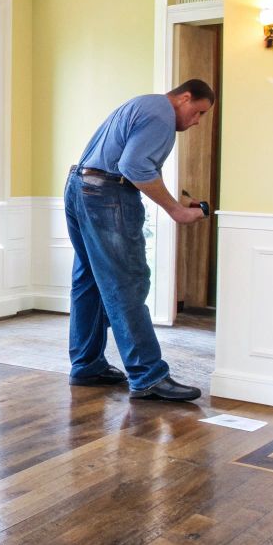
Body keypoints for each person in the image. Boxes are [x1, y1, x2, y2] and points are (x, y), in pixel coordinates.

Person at [64, 79, 215, 401]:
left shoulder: (142, 104)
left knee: (89, 281)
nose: (197, 121)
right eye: (198, 112)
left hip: (81, 187)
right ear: (184, 97)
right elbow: (133, 166)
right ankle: (148, 376)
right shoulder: (162, 114)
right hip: (107, 196)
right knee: (126, 284)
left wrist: (179, 198)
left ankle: (87, 365)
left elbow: (132, 162)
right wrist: (175, 209)